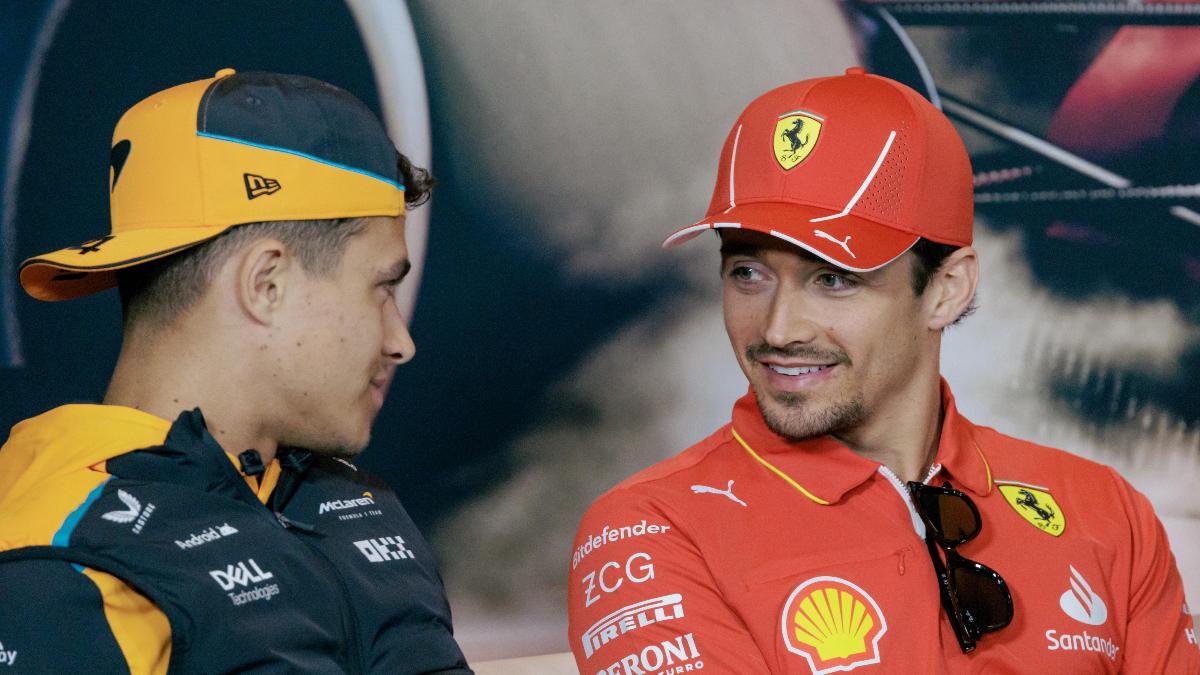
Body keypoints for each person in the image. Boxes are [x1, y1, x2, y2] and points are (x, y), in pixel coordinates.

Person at [566, 68, 1200, 673]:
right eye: (747, 272)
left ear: (947, 289)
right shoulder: (647, 530)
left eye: (834, 278)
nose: (779, 328)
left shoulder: (1105, 510)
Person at [0, 69, 471, 673]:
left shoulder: (352, 504)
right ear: (266, 284)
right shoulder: (62, 563)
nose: (400, 341)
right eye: (382, 288)